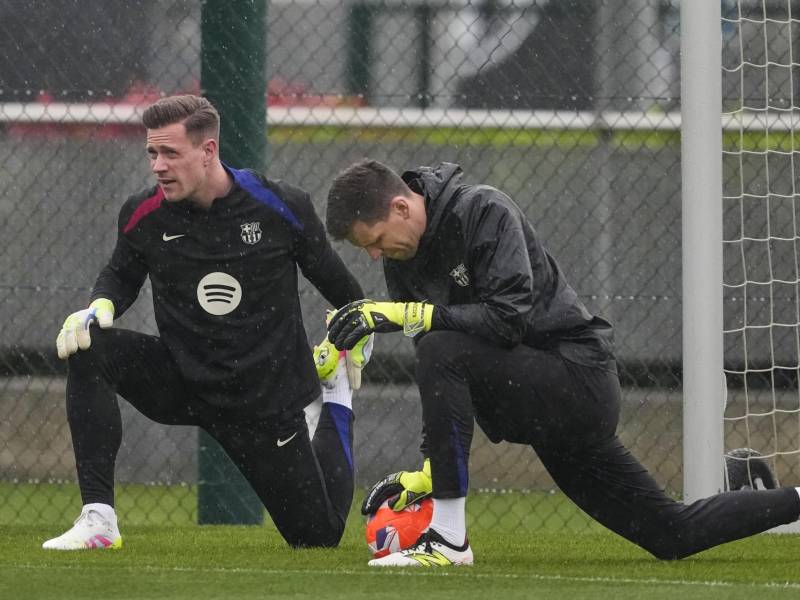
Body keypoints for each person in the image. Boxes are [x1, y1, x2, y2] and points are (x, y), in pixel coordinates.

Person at [323, 159, 800, 567]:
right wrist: (431, 470)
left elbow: (506, 320)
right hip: (540, 416)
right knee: (670, 534)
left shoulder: (483, 210)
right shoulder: (402, 258)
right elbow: (442, 372)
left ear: (401, 208)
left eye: (375, 240)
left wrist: (410, 315)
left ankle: (448, 539)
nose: (374, 255)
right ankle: (787, 500)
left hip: (578, 380)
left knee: (438, 346)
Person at [44, 94, 371, 551]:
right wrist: (99, 307)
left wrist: (355, 339)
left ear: (208, 151)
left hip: (263, 400)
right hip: (183, 380)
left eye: (170, 153)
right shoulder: (142, 213)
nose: (158, 166)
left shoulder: (281, 205)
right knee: (87, 348)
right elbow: (120, 275)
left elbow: (344, 290)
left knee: (318, 537)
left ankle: (335, 394)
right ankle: (99, 519)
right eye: (152, 153)